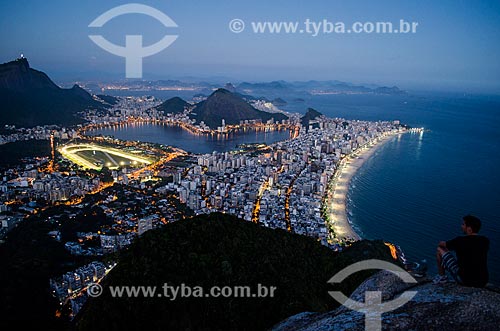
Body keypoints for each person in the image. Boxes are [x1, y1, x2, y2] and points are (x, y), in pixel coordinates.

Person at [434, 215, 489, 287]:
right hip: (482, 281)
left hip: (465, 280)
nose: (461, 226)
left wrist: (448, 247)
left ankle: (442, 278)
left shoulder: (459, 240)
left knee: (439, 250)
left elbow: (442, 244)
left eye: (463, 224)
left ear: (469, 228)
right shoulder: (485, 241)